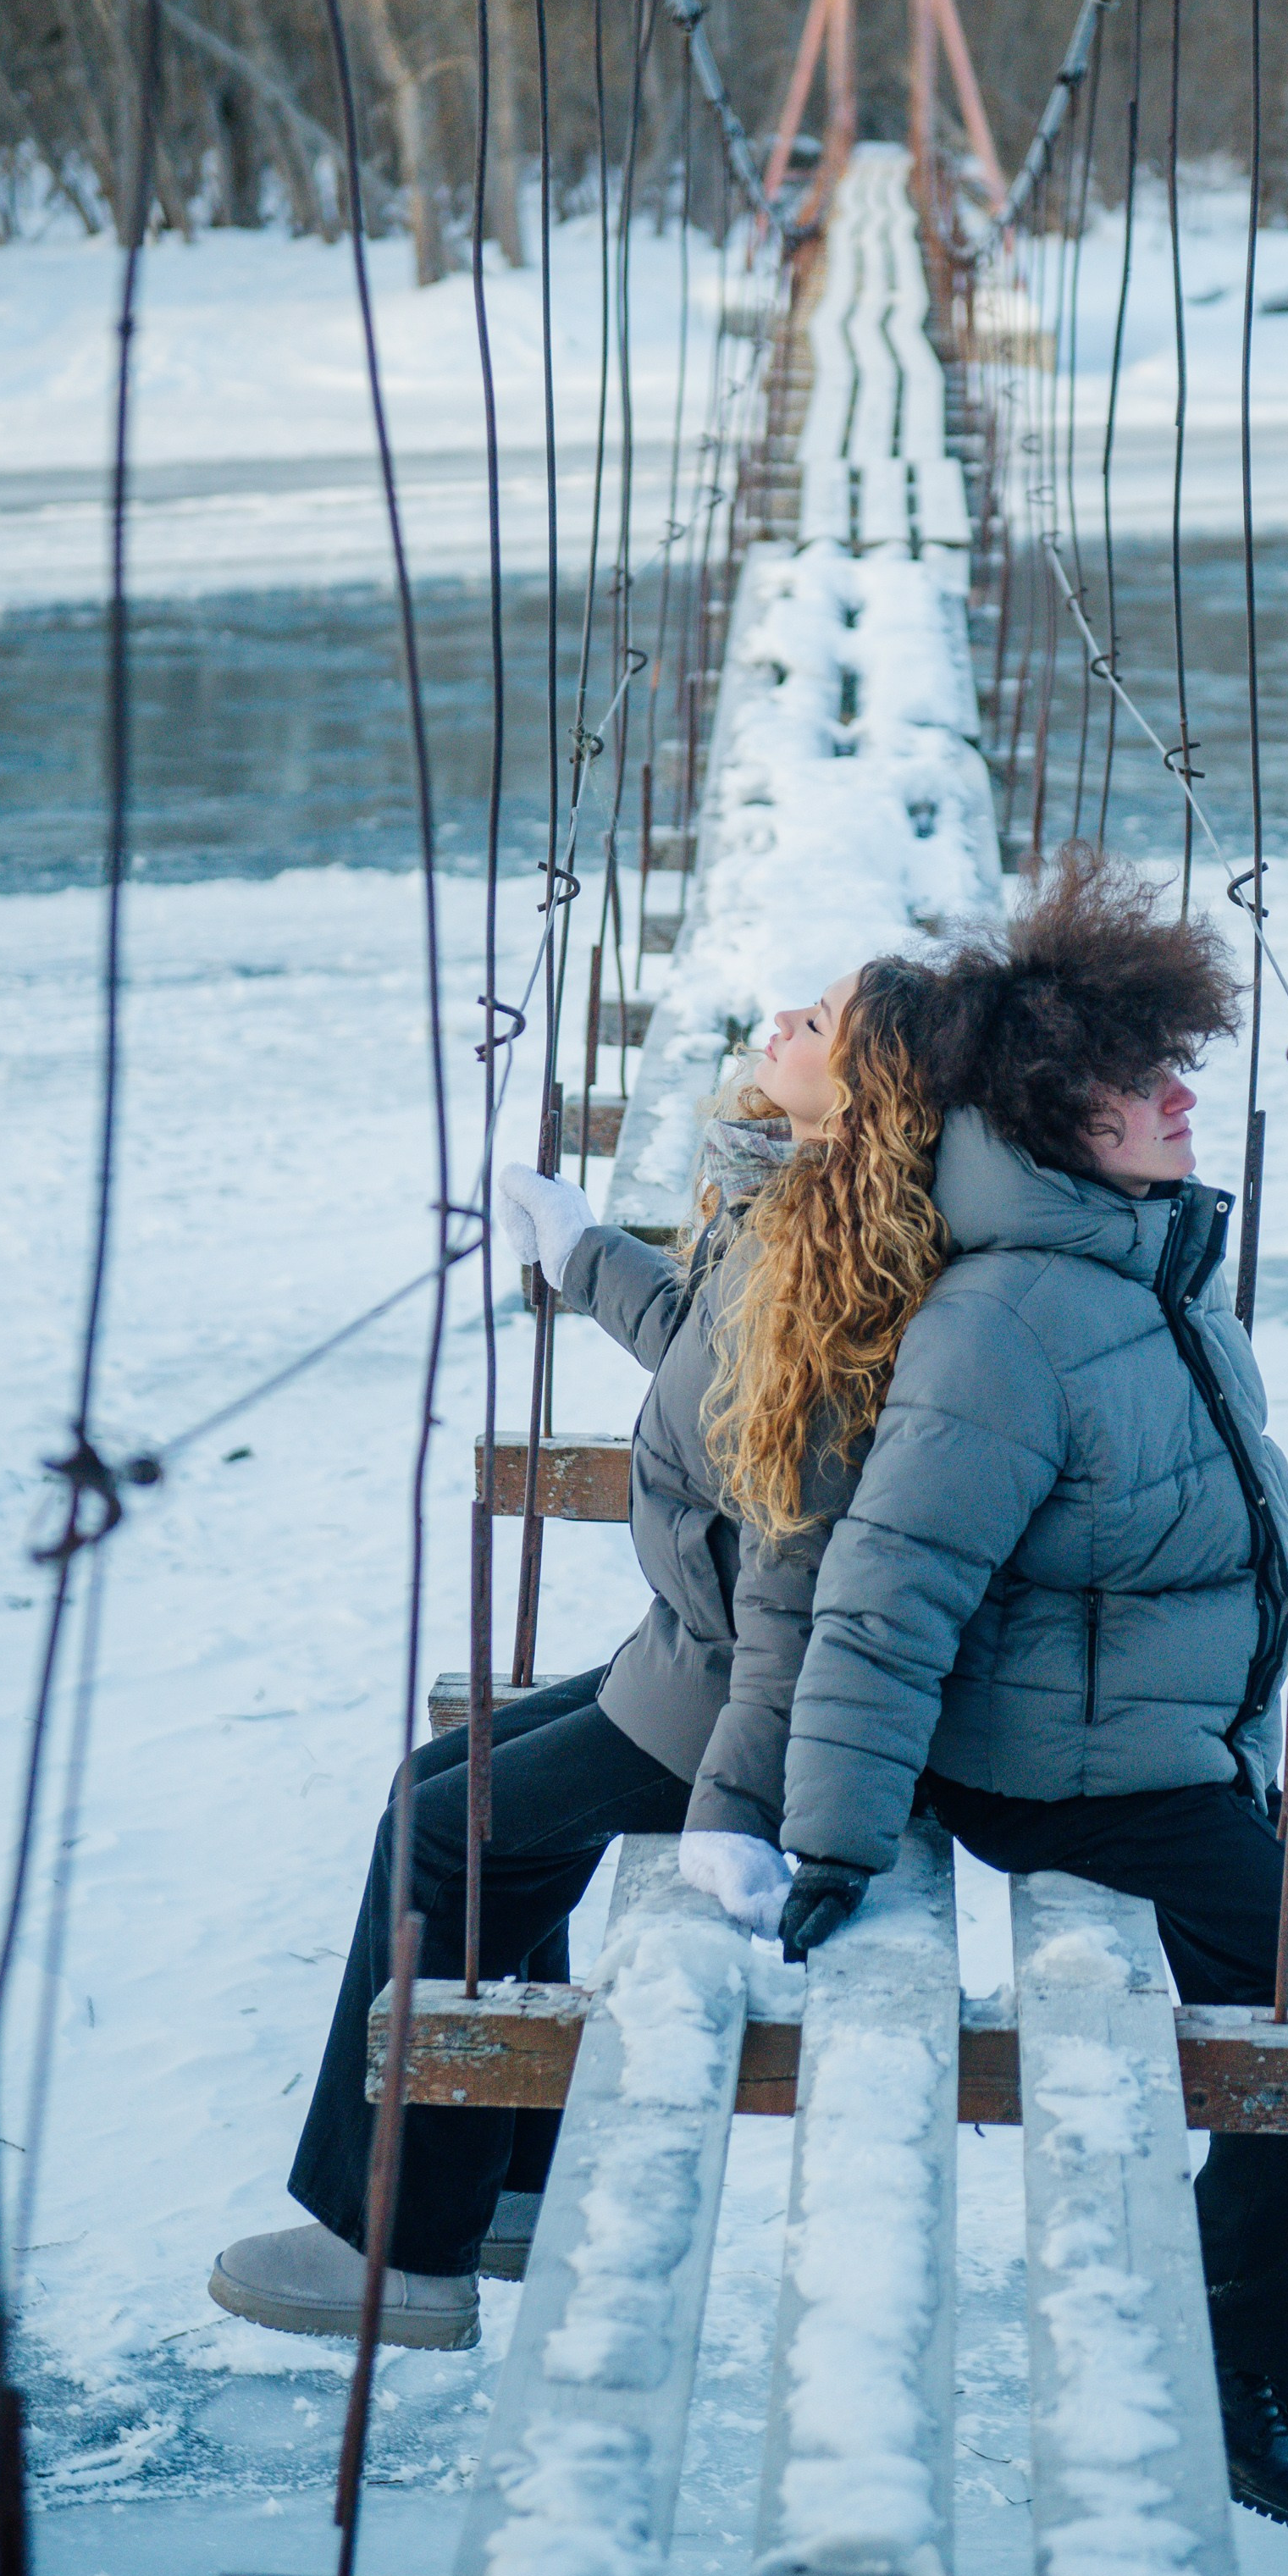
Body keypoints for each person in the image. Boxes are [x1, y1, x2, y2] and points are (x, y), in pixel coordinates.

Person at [770, 847, 1288, 2541]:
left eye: (1173, 1062)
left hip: (1155, 1747)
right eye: (1138, 1078)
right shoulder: (1010, 1321)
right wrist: (831, 1835)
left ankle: (1246, 2374)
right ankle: (1233, 2386)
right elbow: (891, 1580)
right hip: (1071, 1776)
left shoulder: (1143, 1271)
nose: (1178, 1098)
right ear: (1061, 1115)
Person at [207, 954, 948, 2351]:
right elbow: (700, 1345)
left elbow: (806, 1583)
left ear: (863, 1094)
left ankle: (398, 2246)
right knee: (451, 1786)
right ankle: (514, 2177)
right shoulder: (807, 1217)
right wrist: (584, 1249)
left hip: (747, 1700)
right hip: (696, 1653)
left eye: (816, 1022)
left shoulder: (844, 1274)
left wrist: (744, 1801)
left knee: (448, 1831)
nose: (781, 1017)